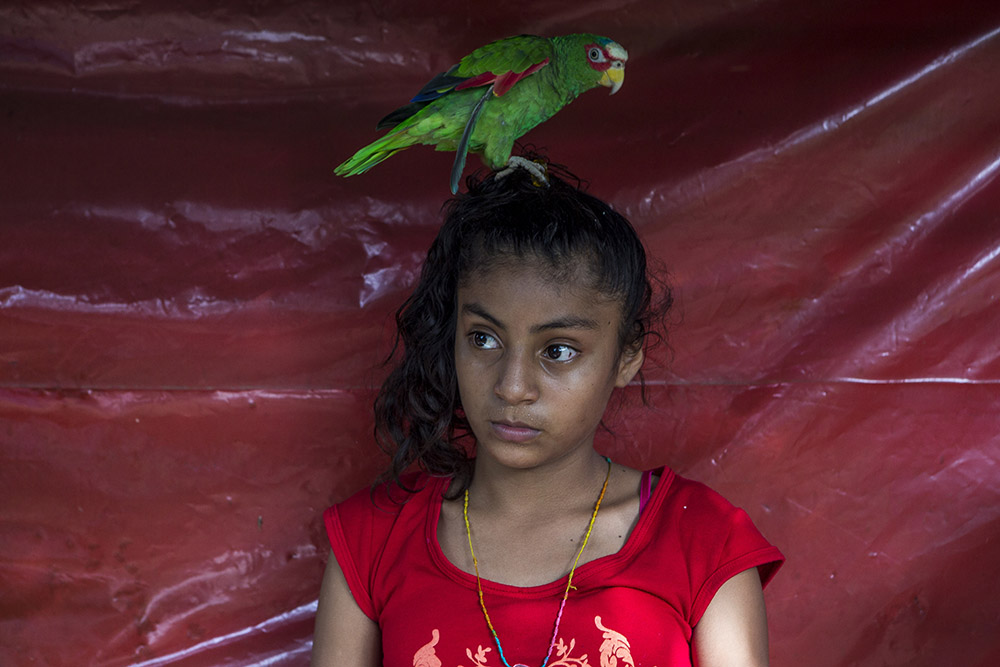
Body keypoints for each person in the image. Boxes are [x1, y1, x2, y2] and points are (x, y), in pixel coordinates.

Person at [311, 160, 784, 667]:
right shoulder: (372, 540)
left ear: (627, 356)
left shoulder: (704, 543)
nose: (512, 387)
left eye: (558, 350)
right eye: (483, 338)